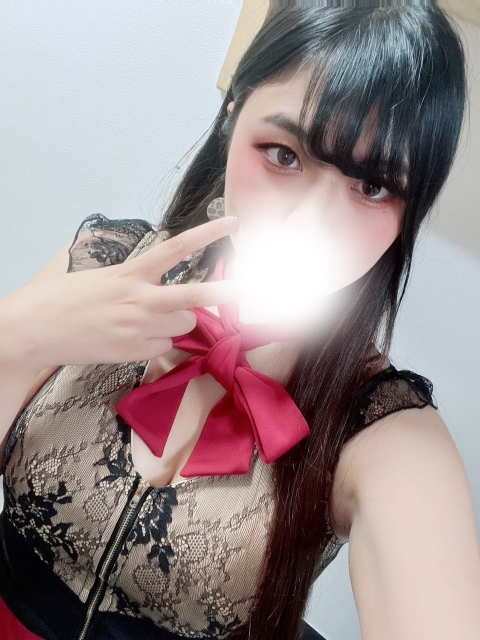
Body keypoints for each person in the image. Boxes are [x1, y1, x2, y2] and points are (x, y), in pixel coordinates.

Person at [0, 5, 479, 640]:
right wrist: (17, 335)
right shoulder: (101, 262)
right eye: (283, 154)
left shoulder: (383, 430)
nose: (309, 223)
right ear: (232, 116)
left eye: (372, 187)